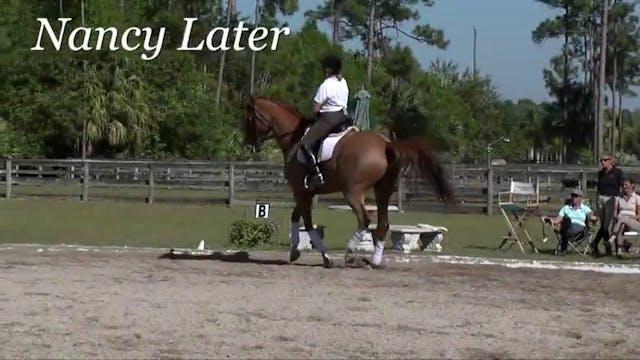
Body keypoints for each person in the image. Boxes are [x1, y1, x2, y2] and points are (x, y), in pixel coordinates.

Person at [298, 54, 350, 190]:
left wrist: (310, 114)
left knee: (305, 143)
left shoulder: (326, 85)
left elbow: (315, 108)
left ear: (327, 70)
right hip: (344, 116)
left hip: (330, 118)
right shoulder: (342, 81)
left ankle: (315, 175)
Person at [541, 189, 598, 255]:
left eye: (576, 196)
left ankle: (563, 250)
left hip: (580, 230)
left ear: (581, 198)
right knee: (566, 220)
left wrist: (596, 218)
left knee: (566, 222)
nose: (574, 198)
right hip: (566, 227)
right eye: (572, 196)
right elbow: (557, 220)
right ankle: (563, 250)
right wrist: (548, 219)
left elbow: (592, 217)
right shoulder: (566, 208)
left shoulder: (585, 208)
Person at [591, 153, 624, 256]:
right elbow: (598, 188)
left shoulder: (618, 172)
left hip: (611, 199)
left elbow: (622, 186)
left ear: (611, 161)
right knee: (603, 225)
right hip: (601, 198)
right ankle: (604, 248)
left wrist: (620, 199)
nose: (603, 162)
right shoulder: (601, 173)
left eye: (605, 160)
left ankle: (597, 243)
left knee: (606, 225)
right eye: (601, 160)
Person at [608, 178, 640, 256]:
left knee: (622, 219)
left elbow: (639, 215)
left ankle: (612, 238)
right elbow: (615, 214)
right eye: (623, 185)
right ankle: (619, 252)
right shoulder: (619, 198)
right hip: (620, 221)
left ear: (632, 185)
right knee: (621, 224)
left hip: (633, 222)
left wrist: (628, 217)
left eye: (626, 184)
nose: (624, 186)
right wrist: (619, 218)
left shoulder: (637, 198)